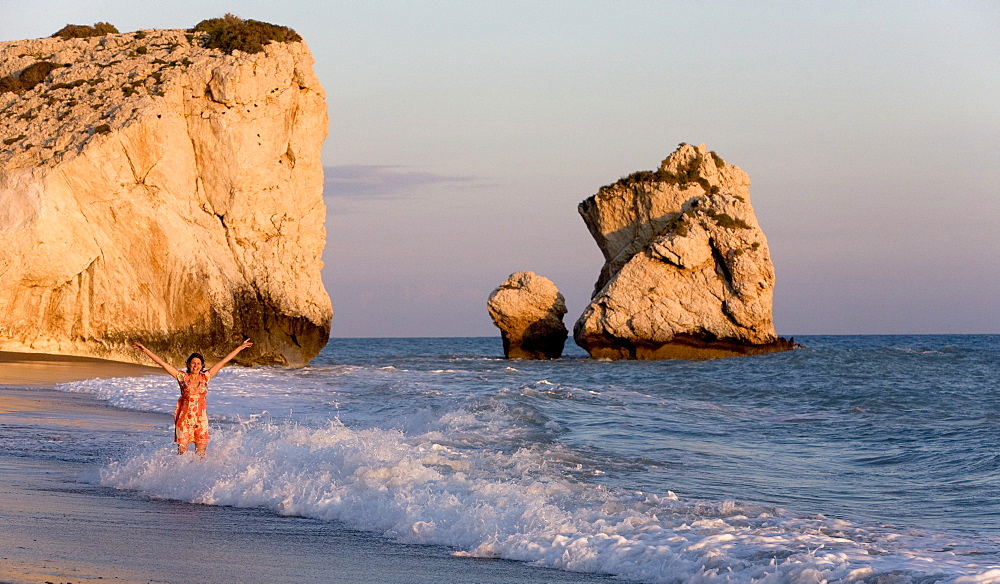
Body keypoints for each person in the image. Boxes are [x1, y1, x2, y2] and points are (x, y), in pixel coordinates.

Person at [132, 338, 253, 456]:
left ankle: (198, 475)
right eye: (193, 363)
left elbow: (222, 362)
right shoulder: (182, 377)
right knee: (182, 454)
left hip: (201, 419)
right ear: (188, 364)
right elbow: (163, 364)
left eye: (198, 364)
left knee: (201, 454)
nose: (196, 366)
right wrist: (145, 350)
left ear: (202, 365)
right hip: (184, 419)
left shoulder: (206, 377)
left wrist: (240, 347)